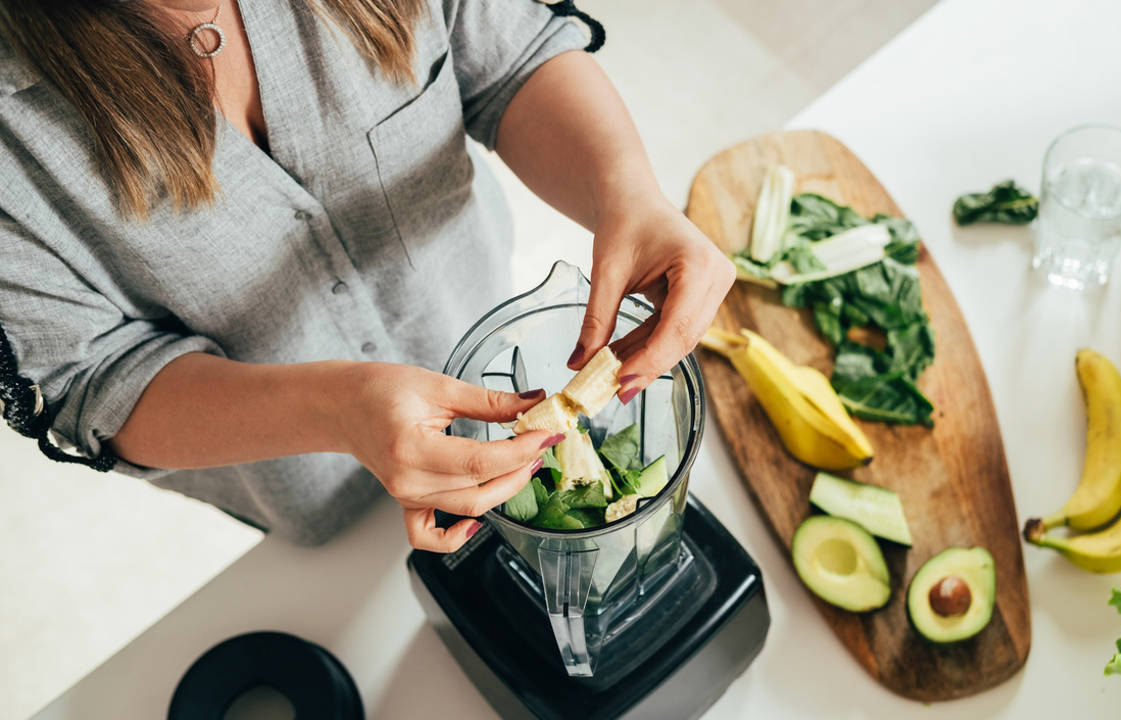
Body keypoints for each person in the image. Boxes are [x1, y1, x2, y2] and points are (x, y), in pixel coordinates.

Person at [0, 0, 734, 551]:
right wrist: (337, 410)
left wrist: (626, 189)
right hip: (301, 481)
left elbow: (510, 59)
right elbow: (90, 379)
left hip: (470, 318)